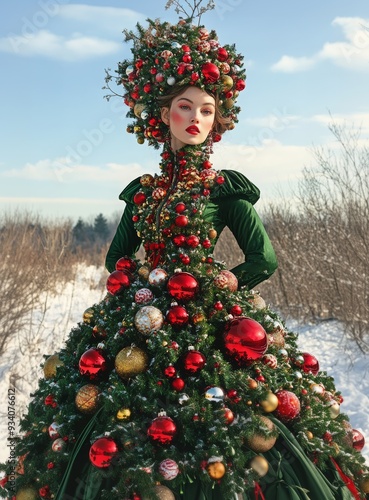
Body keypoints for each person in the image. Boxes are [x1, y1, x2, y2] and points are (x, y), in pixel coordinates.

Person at [1, 8, 368, 500]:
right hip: (138, 321)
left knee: (233, 423)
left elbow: (264, 260)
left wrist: (229, 281)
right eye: (184, 106)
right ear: (162, 113)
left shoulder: (224, 191)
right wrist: (136, 281)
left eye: (207, 110)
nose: (195, 118)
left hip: (214, 321)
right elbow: (115, 257)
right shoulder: (143, 193)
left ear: (219, 120)